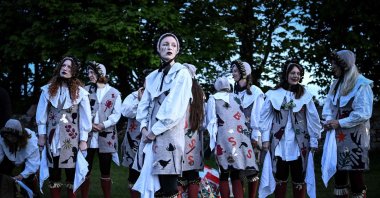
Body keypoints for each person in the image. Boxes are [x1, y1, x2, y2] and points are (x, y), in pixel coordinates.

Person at [134, 32, 193, 197]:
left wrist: (153, 132)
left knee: (168, 187)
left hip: (169, 136)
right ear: (158, 48)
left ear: (177, 50)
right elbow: (144, 105)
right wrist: (144, 129)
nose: (170, 47)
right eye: (166, 44)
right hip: (149, 136)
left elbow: (174, 107)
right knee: (153, 185)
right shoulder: (152, 76)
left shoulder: (182, 73)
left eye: (173, 45)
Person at [259, 61, 321, 198]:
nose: (296, 76)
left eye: (298, 74)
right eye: (293, 73)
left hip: (298, 143)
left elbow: (313, 119)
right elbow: (265, 118)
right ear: (286, 74)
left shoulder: (305, 95)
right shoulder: (273, 94)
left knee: (299, 176)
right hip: (279, 143)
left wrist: (314, 140)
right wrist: (264, 139)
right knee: (280, 177)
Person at [36, 56, 92, 198]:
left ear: (74, 72)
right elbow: (41, 114)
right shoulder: (48, 90)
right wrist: (41, 135)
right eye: (63, 66)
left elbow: (85, 118)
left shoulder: (81, 93)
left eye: (69, 67)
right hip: (52, 138)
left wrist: (84, 139)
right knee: (54, 173)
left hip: (71, 138)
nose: (65, 69)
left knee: (71, 174)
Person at [322, 50, 373, 198]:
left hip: (355, 137)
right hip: (338, 135)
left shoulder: (361, 84)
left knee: (356, 177)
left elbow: (363, 113)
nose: (332, 67)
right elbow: (329, 106)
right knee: (340, 177)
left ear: (343, 65)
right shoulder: (336, 84)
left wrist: (339, 122)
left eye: (334, 64)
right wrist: (328, 120)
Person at [207, 76, 259, 198]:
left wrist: (212, 143)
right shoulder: (237, 98)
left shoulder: (213, 99)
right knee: (236, 173)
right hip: (240, 138)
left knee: (224, 173)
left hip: (223, 138)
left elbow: (211, 122)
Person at [82, 61, 122, 198]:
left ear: (101, 74)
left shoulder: (114, 93)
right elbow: (80, 110)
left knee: (105, 169)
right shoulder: (85, 90)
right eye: (88, 72)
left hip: (107, 137)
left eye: (92, 72)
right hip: (87, 136)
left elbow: (117, 114)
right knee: (85, 169)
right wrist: (90, 124)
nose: (89, 75)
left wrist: (103, 124)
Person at [231, 60, 264, 197]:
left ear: (244, 73)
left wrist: (255, 135)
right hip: (235, 136)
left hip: (251, 135)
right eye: (232, 70)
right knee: (237, 169)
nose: (233, 73)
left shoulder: (256, 92)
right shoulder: (233, 92)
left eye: (235, 70)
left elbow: (258, 115)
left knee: (252, 170)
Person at [120, 68, 151, 198]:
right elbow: (125, 112)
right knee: (134, 172)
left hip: (151, 139)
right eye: (147, 80)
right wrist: (140, 101)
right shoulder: (133, 96)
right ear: (143, 81)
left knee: (150, 172)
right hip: (134, 139)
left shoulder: (159, 96)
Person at [178, 63, 205, 198]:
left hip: (180, 135)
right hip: (194, 138)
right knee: (193, 174)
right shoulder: (200, 93)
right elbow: (203, 121)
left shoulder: (180, 90)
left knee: (179, 172)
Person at [0, 119, 40, 197]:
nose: (10, 139)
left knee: (29, 179)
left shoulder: (31, 142)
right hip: (10, 161)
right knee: (3, 176)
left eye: (12, 136)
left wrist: (22, 175)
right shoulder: (2, 139)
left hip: (26, 163)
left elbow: (33, 163)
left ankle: (31, 193)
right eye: (8, 136)